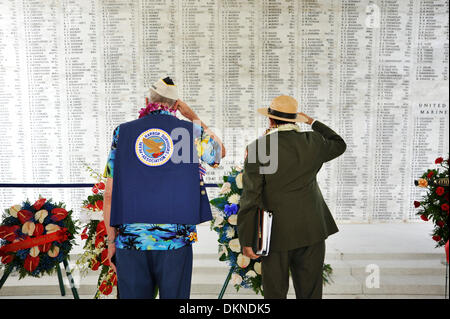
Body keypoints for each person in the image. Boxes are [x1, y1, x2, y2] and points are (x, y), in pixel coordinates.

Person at [102, 77, 225, 299]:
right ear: (176, 105)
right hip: (175, 241)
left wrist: (111, 242)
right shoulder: (189, 132)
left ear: (147, 100)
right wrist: (194, 118)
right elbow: (218, 154)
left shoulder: (122, 132)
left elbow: (109, 194)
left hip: (131, 240)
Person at [237, 95, 346, 299]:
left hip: (275, 233)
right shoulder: (313, 141)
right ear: (296, 119)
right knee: (310, 292)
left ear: (270, 120)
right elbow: (339, 143)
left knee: (275, 293)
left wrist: (246, 238)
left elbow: (251, 197)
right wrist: (312, 122)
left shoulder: (259, 148)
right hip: (312, 229)